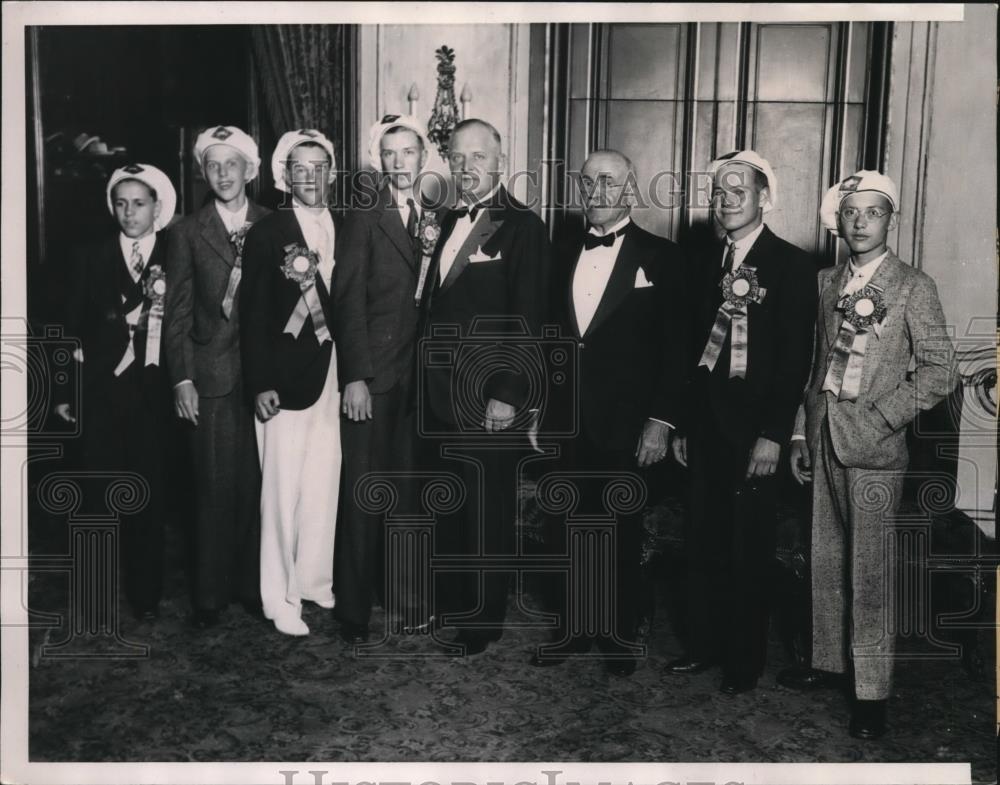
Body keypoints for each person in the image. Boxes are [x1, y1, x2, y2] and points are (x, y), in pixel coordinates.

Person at [778, 170, 956, 739]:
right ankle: (831, 664)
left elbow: (941, 372)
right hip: (823, 437)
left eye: (872, 212)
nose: (860, 222)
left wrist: (883, 417)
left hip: (876, 451)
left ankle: (872, 693)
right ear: (840, 218)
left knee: (871, 575)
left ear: (890, 219)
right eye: (851, 212)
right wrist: (801, 433)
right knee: (826, 559)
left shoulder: (913, 286)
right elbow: (812, 364)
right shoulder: (827, 280)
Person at [531, 149, 688, 676]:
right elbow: (551, 340)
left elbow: (677, 349)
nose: (595, 190)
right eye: (587, 180)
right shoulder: (560, 252)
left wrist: (662, 421)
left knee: (620, 527)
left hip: (629, 422)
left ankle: (619, 636)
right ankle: (573, 629)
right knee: (566, 526)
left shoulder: (662, 257)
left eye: (607, 180)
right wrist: (538, 410)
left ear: (629, 189)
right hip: (566, 418)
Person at [669, 150, 817, 693]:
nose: (726, 202)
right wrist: (685, 424)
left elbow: (794, 359)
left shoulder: (793, 266)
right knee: (703, 542)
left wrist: (775, 434)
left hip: (756, 434)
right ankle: (703, 648)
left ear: (763, 199)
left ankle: (743, 662)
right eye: (718, 192)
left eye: (739, 192)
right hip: (706, 429)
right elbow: (691, 352)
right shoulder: (706, 261)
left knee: (746, 548)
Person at [418, 118, 551, 655]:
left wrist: (509, 393)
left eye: (477, 156)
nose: (465, 166)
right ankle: (451, 604)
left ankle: (483, 621)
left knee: (487, 512)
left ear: (500, 160)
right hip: (438, 393)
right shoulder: (445, 220)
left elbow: (531, 318)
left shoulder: (523, 227)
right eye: (456, 156)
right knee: (450, 506)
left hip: (489, 396)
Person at [55, 163, 177, 622]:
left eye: (139, 204)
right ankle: (96, 589)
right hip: (103, 392)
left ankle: (145, 595)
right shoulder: (91, 256)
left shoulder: (174, 251)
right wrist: (66, 389)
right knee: (99, 492)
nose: (130, 213)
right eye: (121, 204)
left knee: (148, 494)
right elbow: (70, 326)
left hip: (153, 396)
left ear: (156, 208)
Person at [163, 125, 271, 628]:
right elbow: (177, 314)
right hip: (211, 376)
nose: (224, 174)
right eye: (214, 165)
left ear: (251, 170)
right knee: (210, 486)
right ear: (203, 172)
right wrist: (182, 379)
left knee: (256, 485)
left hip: (267, 379)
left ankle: (252, 586)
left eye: (233, 164)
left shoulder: (274, 225)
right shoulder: (187, 231)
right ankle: (209, 593)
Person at [239, 129, 342, 637]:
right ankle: (277, 596)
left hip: (334, 377)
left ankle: (313, 580)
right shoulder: (267, 232)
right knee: (280, 494)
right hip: (283, 381)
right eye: (299, 167)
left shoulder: (343, 225)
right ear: (284, 175)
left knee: (324, 481)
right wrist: (259, 382)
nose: (310, 176)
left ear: (332, 172)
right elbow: (253, 315)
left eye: (319, 165)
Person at [333, 114, 430, 644]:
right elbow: (346, 300)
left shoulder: (436, 213)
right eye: (389, 154)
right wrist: (355, 377)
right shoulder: (363, 217)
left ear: (423, 157)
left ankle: (407, 599)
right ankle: (352, 609)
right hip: (374, 379)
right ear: (379, 160)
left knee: (409, 495)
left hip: (419, 382)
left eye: (408, 152)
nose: (398, 163)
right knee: (363, 492)